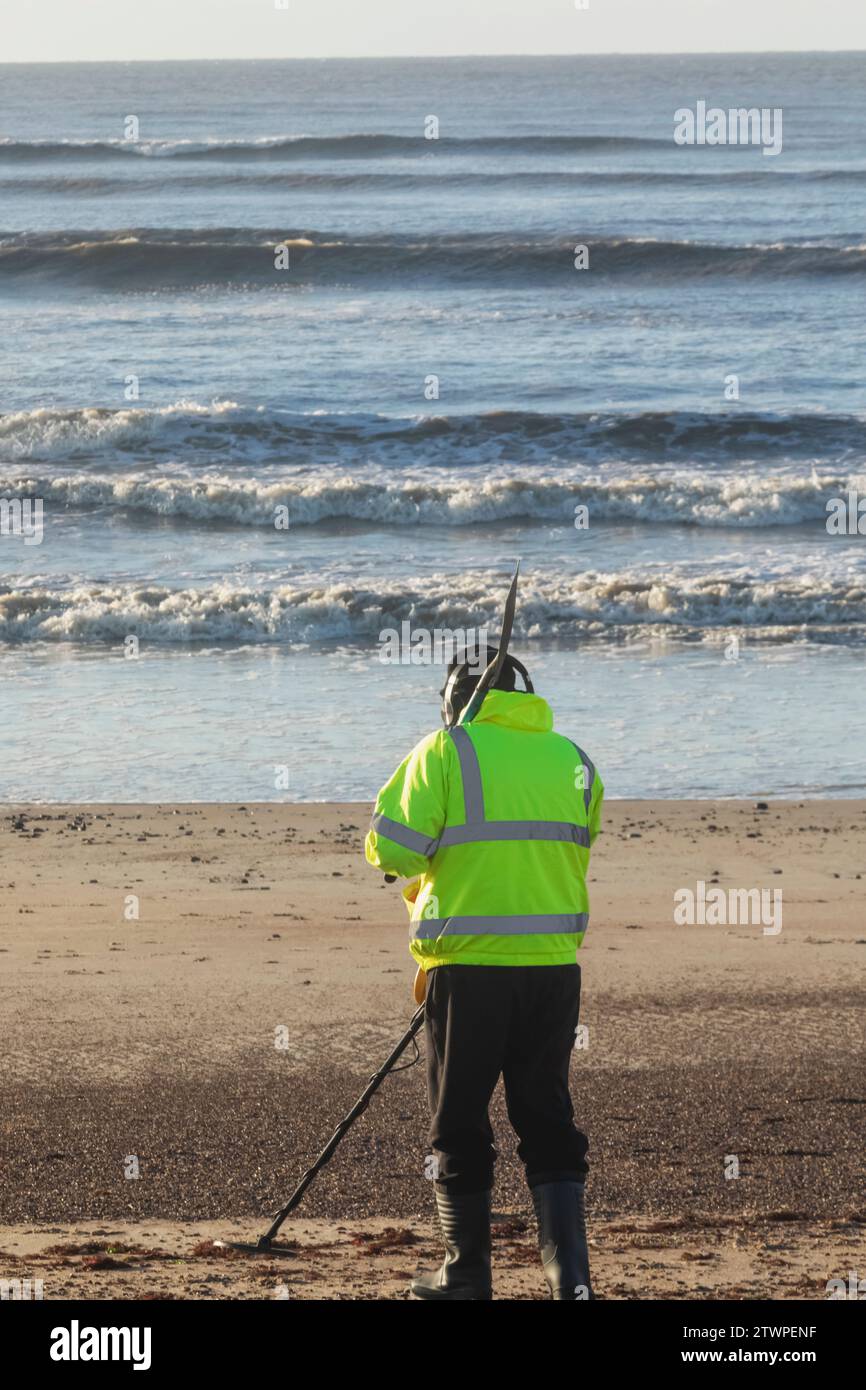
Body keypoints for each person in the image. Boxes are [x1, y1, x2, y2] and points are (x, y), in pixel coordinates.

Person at [365, 643, 603, 1300]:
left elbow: (391, 847)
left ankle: (465, 1272)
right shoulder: (576, 761)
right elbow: (568, 842)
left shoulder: (445, 752)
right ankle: (571, 1280)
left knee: (458, 1123)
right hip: (554, 973)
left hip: (469, 972)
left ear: (453, 702)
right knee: (547, 1118)